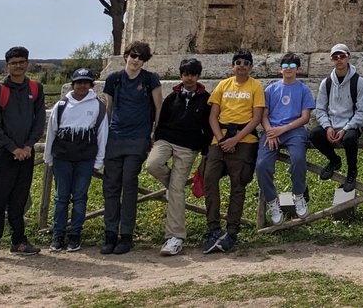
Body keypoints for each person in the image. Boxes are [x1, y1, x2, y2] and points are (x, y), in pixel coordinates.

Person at [0, 46, 46, 262]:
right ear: (7, 65)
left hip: (26, 154)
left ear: (27, 63)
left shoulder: (36, 88)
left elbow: (39, 122)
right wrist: (12, 148)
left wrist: (28, 146)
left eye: (21, 62)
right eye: (13, 62)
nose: (18, 66)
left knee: (19, 201)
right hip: (5, 153)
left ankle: (19, 242)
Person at [101, 40, 162, 255]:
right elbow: (108, 109)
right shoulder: (113, 79)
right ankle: (110, 233)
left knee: (129, 184)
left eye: (141, 57)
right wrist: (103, 138)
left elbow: (158, 107)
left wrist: (155, 133)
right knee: (111, 186)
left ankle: (126, 234)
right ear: (126, 55)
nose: (136, 60)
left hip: (138, 138)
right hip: (115, 138)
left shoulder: (150, 79)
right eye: (133, 55)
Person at [146, 56, 212, 256]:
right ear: (181, 75)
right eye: (185, 74)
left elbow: (208, 127)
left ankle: (175, 237)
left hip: (188, 146)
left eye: (192, 75)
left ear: (198, 76)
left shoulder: (206, 99)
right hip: (166, 140)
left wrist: (205, 151)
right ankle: (175, 187)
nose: (189, 78)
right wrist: (157, 138)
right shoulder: (172, 97)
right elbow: (162, 119)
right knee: (152, 164)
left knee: (175, 189)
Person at [203, 49, 265, 254]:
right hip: (219, 139)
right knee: (209, 180)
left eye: (246, 63)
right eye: (238, 62)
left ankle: (232, 230)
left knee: (238, 185)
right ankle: (213, 228)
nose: (242, 65)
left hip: (244, 140)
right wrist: (222, 140)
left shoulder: (255, 86)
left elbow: (256, 119)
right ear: (232, 65)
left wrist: (235, 140)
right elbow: (213, 115)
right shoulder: (223, 85)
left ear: (251, 67)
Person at [43, 67, 108, 252]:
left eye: (86, 82)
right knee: (61, 197)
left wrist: (98, 160)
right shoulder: (62, 105)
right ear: (73, 84)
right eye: (79, 82)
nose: (82, 86)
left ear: (91, 85)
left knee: (80, 197)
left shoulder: (97, 106)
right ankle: (58, 234)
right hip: (62, 158)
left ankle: (75, 234)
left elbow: (102, 133)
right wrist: (48, 157)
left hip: (85, 159)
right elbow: (52, 132)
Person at [257, 52, 315, 225]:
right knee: (262, 165)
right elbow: (263, 115)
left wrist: (284, 129)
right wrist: (270, 131)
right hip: (272, 130)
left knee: (298, 158)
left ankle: (298, 194)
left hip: (294, 129)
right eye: (285, 66)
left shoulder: (303, 89)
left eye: (292, 66)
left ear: (298, 69)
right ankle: (272, 201)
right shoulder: (271, 89)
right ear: (280, 69)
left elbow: (305, 117)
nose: (288, 69)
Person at [310, 43, 363, 193]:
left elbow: (362, 112)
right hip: (332, 123)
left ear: (348, 57)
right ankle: (334, 160)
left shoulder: (358, 82)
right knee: (314, 135)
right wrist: (327, 127)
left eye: (342, 56)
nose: (339, 59)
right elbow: (320, 109)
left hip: (351, 124)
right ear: (331, 60)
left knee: (349, 139)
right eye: (335, 57)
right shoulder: (326, 83)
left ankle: (352, 172)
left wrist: (345, 129)